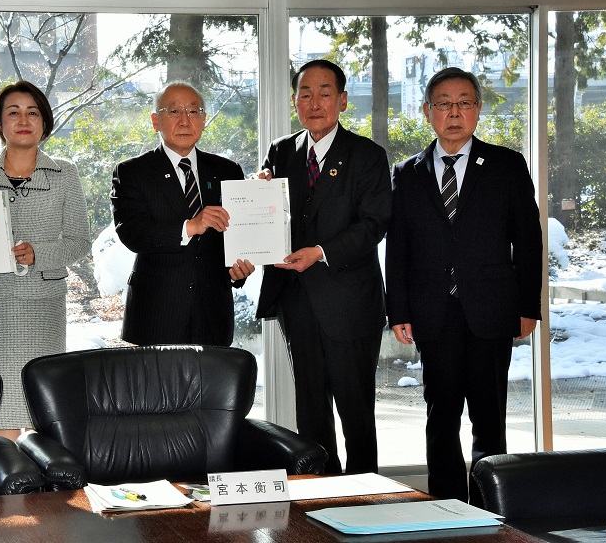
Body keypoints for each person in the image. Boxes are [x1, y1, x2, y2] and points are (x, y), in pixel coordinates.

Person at [385, 66, 543, 503]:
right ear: (427, 111)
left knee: (489, 421)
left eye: (464, 103)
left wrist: (528, 305)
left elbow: (528, 240)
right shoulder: (407, 172)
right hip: (433, 314)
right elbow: (397, 248)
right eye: (444, 103)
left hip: (491, 311)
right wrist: (397, 311)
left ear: (477, 110)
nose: (454, 112)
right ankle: (448, 510)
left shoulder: (507, 165)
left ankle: (491, 513)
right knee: (441, 421)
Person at [256, 59, 391, 475]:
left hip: (350, 303)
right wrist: (257, 195)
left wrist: (319, 251)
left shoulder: (367, 155)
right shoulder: (281, 151)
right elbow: (269, 215)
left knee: (356, 413)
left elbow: (373, 225)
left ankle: (366, 495)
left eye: (325, 92)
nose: (314, 102)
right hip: (297, 303)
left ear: (343, 100)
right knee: (311, 412)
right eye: (305, 93)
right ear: (294, 100)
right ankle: (320, 501)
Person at [0, 81, 90, 439]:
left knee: (40, 407)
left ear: (44, 122)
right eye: (12, 112)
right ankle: (7, 490)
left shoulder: (65, 172)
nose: (23, 119)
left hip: (42, 307)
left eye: (32, 112)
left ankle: (40, 493)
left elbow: (80, 241)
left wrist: (39, 253)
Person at [111, 82, 255, 347]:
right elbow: (132, 232)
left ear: (204, 120)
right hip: (156, 313)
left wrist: (238, 271)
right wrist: (189, 226)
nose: (185, 120)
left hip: (213, 313)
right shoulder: (132, 172)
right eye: (174, 111)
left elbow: (237, 234)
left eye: (193, 111)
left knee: (213, 388)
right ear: (156, 121)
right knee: (155, 389)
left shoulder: (227, 170)